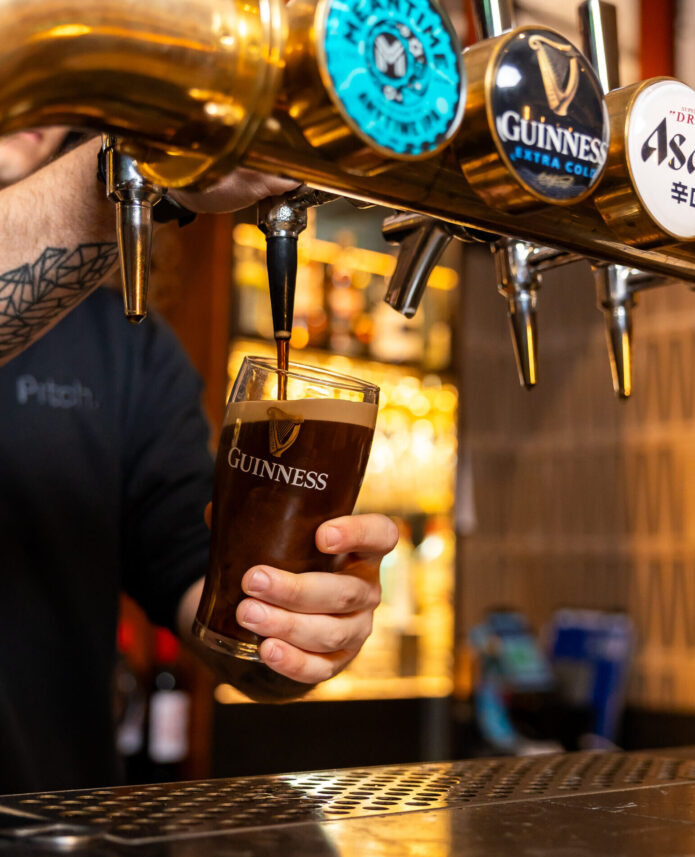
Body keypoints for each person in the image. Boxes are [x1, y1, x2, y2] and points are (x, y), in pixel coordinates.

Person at [0, 129, 397, 793]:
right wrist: (151, 163)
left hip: (58, 831)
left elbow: (202, 585)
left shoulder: (130, 345)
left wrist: (297, 628)